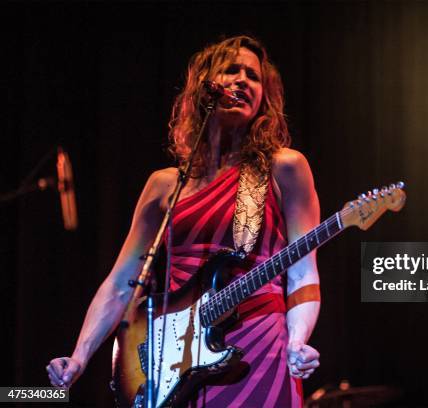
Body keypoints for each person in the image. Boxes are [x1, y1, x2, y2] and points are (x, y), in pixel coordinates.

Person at [47, 35, 321, 407]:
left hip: (258, 343)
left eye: (253, 76)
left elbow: (303, 272)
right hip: (173, 356)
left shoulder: (283, 167)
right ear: (203, 89)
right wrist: (79, 358)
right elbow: (120, 283)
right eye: (230, 70)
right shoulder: (164, 185)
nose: (243, 80)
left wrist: (297, 341)